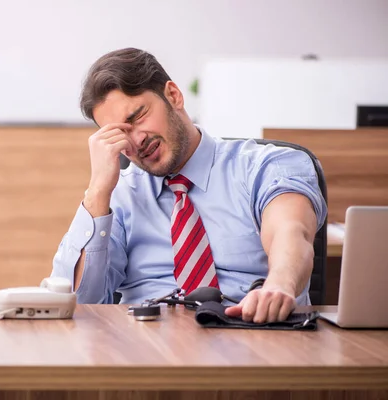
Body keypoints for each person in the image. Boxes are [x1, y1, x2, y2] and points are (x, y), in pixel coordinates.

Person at [50, 48, 327, 323]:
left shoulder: (267, 166)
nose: (136, 141)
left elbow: (291, 232)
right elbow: (77, 302)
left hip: (250, 333)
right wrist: (97, 191)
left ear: (173, 95)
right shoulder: (119, 196)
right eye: (119, 133)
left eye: (137, 117)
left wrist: (279, 285)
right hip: (148, 346)